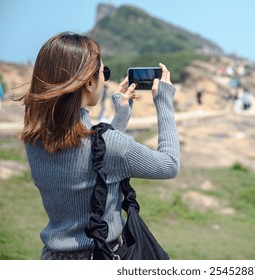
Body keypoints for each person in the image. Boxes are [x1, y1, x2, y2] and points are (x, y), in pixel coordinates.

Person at [16, 32, 180, 260]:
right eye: (104, 72)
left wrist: (120, 116)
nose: (105, 80)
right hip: (101, 257)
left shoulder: (34, 140)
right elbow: (169, 165)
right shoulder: (110, 144)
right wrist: (164, 101)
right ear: (89, 82)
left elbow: (96, 162)